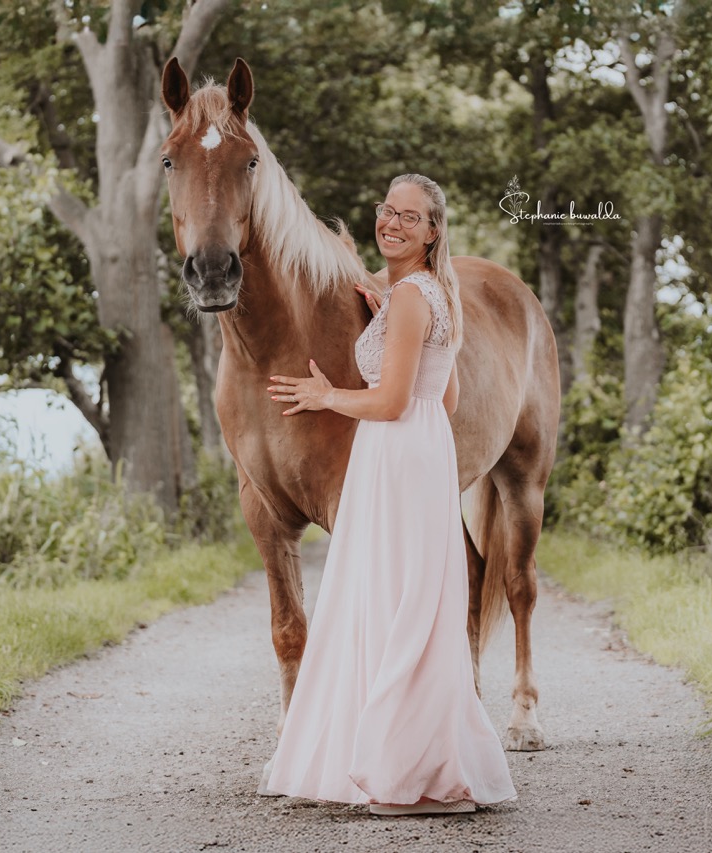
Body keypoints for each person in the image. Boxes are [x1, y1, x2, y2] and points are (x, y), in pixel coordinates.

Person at [261, 174, 517, 816]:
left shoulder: (409, 296)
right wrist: (393, 333)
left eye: (409, 216)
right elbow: (447, 397)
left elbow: (392, 401)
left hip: (397, 454)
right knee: (413, 603)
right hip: (420, 455)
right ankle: (419, 761)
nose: (392, 223)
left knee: (392, 603)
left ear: (433, 232)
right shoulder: (429, 295)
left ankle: (407, 774)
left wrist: (325, 396)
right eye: (386, 210)